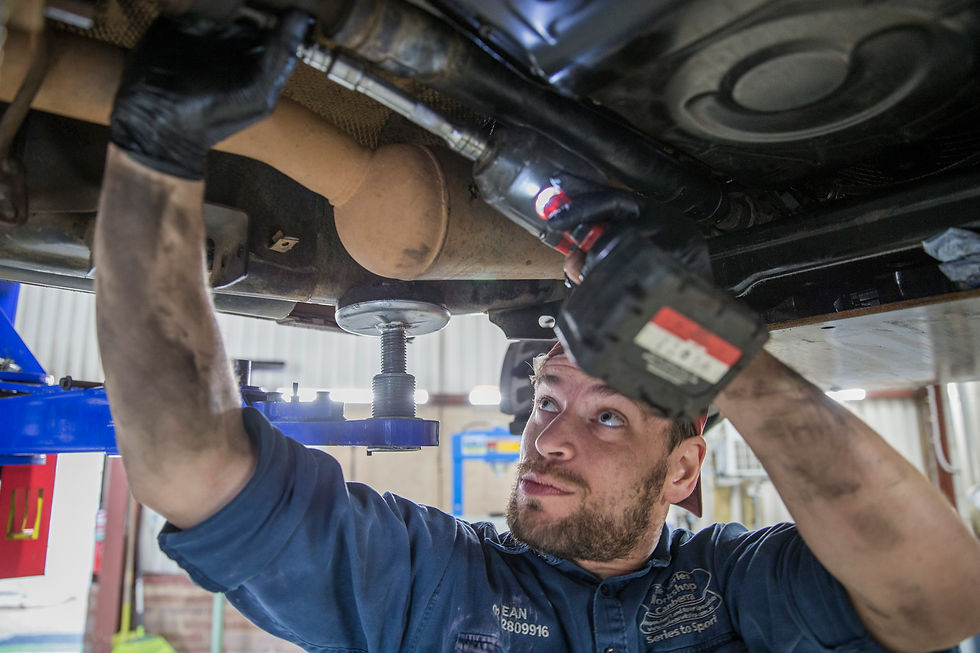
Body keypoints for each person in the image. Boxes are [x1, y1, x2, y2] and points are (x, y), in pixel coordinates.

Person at [93, 11, 980, 653]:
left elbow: (941, 598)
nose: (546, 436)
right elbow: (192, 471)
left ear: (683, 470)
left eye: (607, 417)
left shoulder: (732, 585)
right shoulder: (434, 579)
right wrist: (156, 151)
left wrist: (717, 355)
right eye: (550, 400)